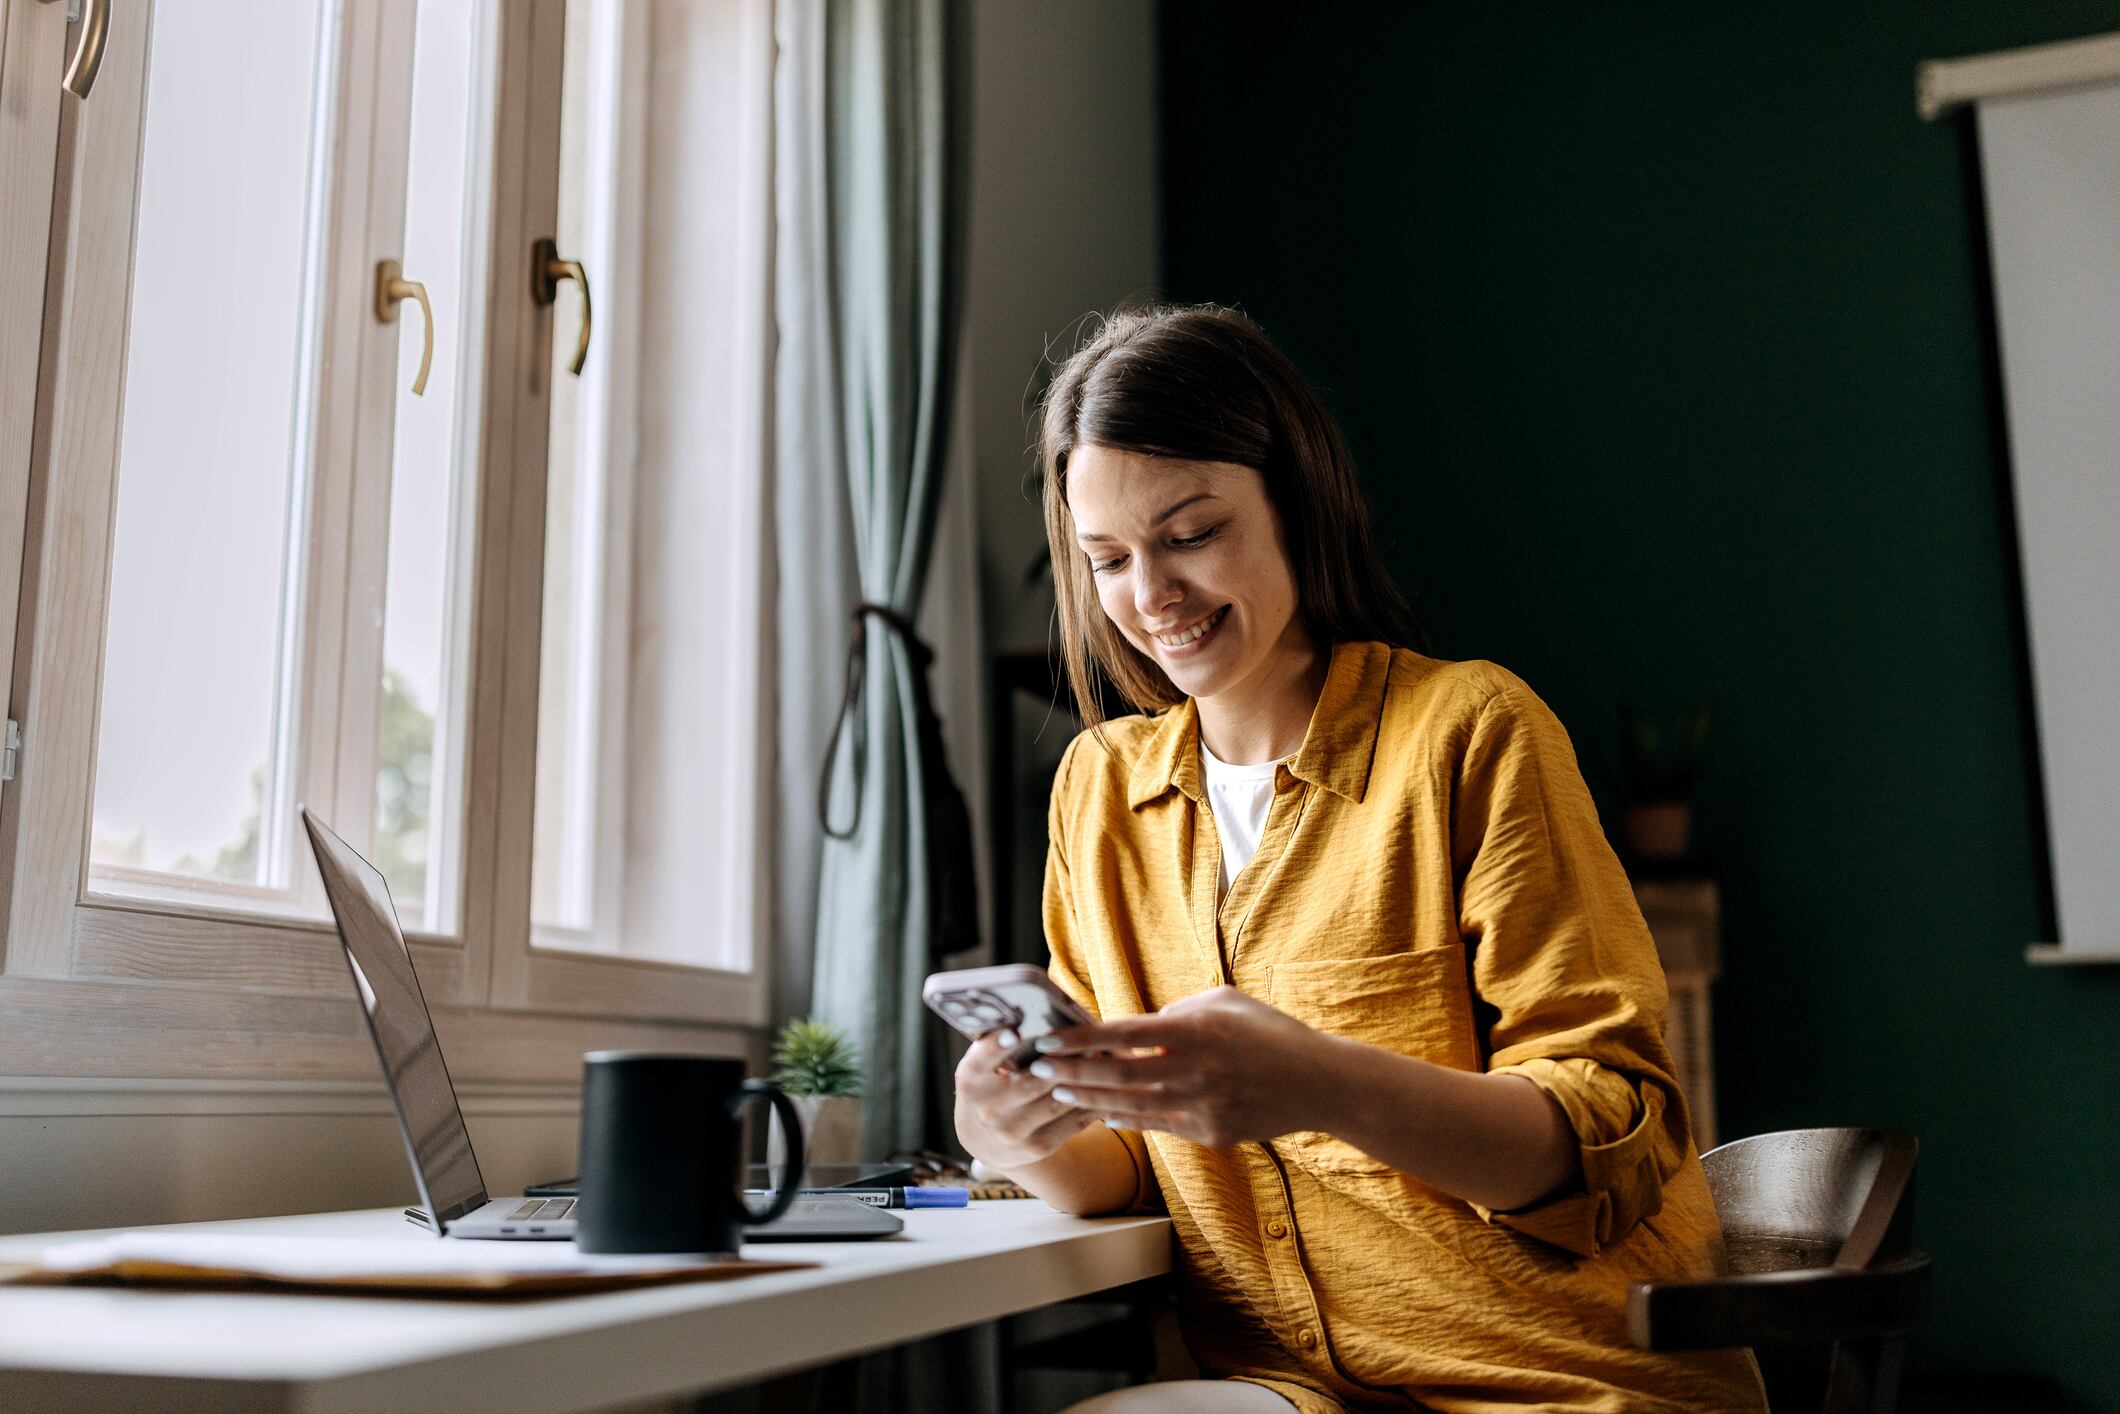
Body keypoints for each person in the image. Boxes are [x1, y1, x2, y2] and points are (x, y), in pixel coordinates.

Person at [953, 305, 1769, 1413]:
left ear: (1298, 503)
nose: (1150, 595)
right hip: (1296, 1392)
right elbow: (1124, 1162)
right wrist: (1014, 1133)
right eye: (1108, 559)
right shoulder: (1098, 793)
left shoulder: (1471, 731)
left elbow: (1609, 1135)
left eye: (1190, 534)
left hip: (1562, 1388)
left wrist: (1316, 1081)